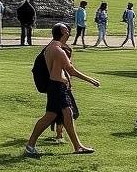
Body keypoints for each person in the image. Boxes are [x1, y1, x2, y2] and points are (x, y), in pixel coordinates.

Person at [24, 23, 100, 157]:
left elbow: (62, 70)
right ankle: (30, 145)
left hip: (56, 86)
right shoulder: (58, 50)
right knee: (50, 116)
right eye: (67, 30)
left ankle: (77, 146)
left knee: (66, 114)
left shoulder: (51, 47)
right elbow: (71, 70)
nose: (69, 33)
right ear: (63, 32)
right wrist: (90, 80)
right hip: (58, 87)